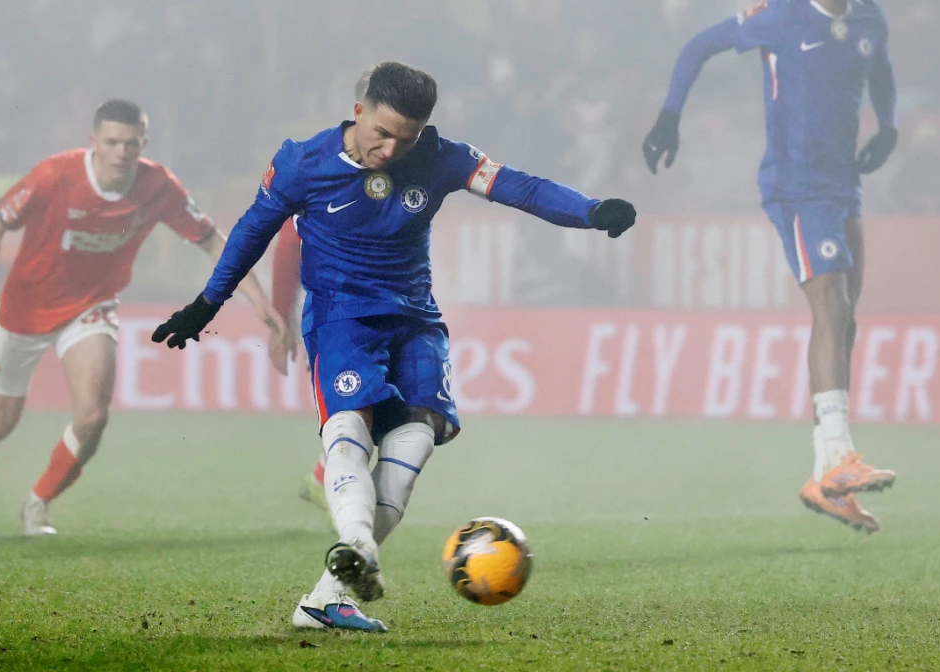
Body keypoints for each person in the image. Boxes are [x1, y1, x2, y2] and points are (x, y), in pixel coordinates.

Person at [153, 61, 636, 632]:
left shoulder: (440, 156)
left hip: (416, 319)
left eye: (405, 139)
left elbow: (521, 188)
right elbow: (253, 230)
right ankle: (357, 545)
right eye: (381, 134)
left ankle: (327, 598)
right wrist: (207, 304)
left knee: (417, 437)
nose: (390, 151)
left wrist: (590, 211)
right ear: (359, 111)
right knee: (350, 427)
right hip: (342, 319)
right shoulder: (302, 162)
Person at [0, 99, 289, 536]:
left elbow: (213, 241)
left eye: (132, 143)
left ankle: (38, 504)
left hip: (91, 306)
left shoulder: (158, 185)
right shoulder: (54, 175)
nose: (122, 151)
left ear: (145, 144)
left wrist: (256, 297)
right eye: (113, 142)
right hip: (24, 307)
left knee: (92, 416)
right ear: (93, 143)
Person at [642, 0, 898, 533]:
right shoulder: (780, 15)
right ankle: (840, 455)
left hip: (843, 185)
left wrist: (889, 126)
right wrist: (670, 116)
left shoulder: (869, 18)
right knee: (831, 305)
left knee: (846, 319)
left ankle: (824, 478)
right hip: (795, 186)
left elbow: (882, 67)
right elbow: (699, 45)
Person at [272, 70, 374, 514]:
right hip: (339, 316)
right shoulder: (323, 164)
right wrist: (281, 318)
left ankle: (323, 478)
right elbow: (288, 243)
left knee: (391, 415)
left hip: (389, 307)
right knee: (368, 413)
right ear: (362, 109)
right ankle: (340, 505)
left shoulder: (408, 160)